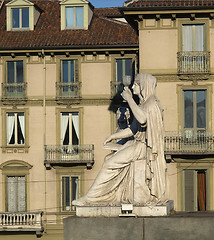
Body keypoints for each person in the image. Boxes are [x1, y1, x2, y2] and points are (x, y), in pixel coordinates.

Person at [72, 72, 168, 206]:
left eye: (136, 84)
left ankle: (91, 198)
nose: (133, 87)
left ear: (143, 86)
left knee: (109, 164)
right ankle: (108, 195)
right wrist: (113, 136)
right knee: (108, 159)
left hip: (144, 147)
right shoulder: (144, 103)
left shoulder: (151, 103)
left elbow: (142, 119)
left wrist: (129, 99)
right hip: (138, 144)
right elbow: (132, 129)